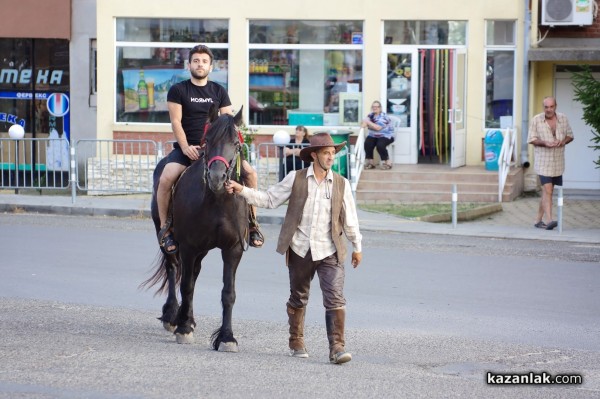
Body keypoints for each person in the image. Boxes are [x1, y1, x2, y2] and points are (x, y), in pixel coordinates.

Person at [225, 132, 363, 364]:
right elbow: (269, 199)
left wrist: (357, 246)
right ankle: (296, 340)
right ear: (315, 156)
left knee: (335, 298)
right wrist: (242, 190)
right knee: (298, 298)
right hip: (300, 247)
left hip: (330, 249)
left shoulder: (342, 183)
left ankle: (337, 348)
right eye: (327, 153)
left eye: (333, 153)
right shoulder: (295, 178)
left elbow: (350, 218)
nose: (331, 157)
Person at [156, 44, 264, 254]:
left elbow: (228, 121)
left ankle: (252, 223)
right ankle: (165, 228)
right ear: (189, 65)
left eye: (204, 61)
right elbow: (176, 122)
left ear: (210, 66)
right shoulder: (178, 90)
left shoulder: (218, 90)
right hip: (189, 149)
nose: (200, 64)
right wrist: (186, 147)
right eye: (196, 60)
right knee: (166, 178)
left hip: (216, 151)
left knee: (250, 174)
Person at [527, 96, 574, 230]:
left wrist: (562, 141)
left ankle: (537, 220)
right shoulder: (536, 120)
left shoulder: (563, 119)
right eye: (546, 107)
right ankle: (549, 220)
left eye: (551, 107)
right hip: (543, 161)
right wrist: (545, 143)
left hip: (558, 162)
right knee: (547, 189)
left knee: (549, 191)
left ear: (555, 106)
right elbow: (531, 139)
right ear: (543, 107)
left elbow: (570, 136)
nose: (548, 109)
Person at [361, 100, 394, 170]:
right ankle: (371, 163)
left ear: (380, 108)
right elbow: (363, 125)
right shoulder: (370, 115)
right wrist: (368, 123)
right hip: (373, 135)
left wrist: (368, 122)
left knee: (380, 145)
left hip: (386, 135)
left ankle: (388, 163)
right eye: (373, 106)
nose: (374, 108)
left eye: (377, 106)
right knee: (367, 143)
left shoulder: (383, 116)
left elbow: (377, 128)